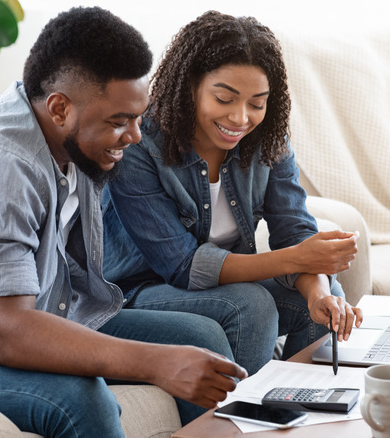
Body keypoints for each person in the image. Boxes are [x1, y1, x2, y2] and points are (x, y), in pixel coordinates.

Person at [0, 7, 247, 436]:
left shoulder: (73, 142)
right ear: (59, 108)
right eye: (119, 121)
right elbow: (7, 331)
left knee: (203, 339)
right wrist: (156, 362)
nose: (135, 136)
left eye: (138, 117)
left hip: (34, 310)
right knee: (80, 400)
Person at [102, 10, 363, 375]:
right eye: (225, 99)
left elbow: (294, 229)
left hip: (218, 287)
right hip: (139, 290)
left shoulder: (267, 141)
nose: (241, 118)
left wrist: (319, 291)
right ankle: (248, 423)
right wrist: (298, 258)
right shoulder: (141, 143)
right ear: (190, 85)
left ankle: (302, 412)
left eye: (256, 104)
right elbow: (181, 266)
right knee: (251, 305)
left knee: (326, 298)